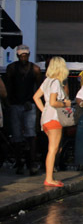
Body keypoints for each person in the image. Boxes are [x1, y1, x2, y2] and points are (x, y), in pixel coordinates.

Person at [2, 45, 43, 175]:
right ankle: (20, 163)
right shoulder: (12, 68)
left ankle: (31, 164)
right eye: (21, 55)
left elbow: (38, 87)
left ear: (29, 55)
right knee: (17, 136)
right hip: (16, 104)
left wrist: (36, 104)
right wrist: (8, 103)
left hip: (29, 104)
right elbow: (8, 87)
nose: (23, 57)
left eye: (25, 55)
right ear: (18, 56)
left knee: (30, 135)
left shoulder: (35, 69)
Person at [32, 57, 71, 188]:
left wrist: (44, 111)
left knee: (54, 148)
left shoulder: (47, 81)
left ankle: (50, 176)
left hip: (46, 118)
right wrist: (65, 103)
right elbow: (54, 102)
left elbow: (36, 97)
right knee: (53, 149)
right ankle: (49, 178)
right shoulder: (55, 82)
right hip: (54, 117)